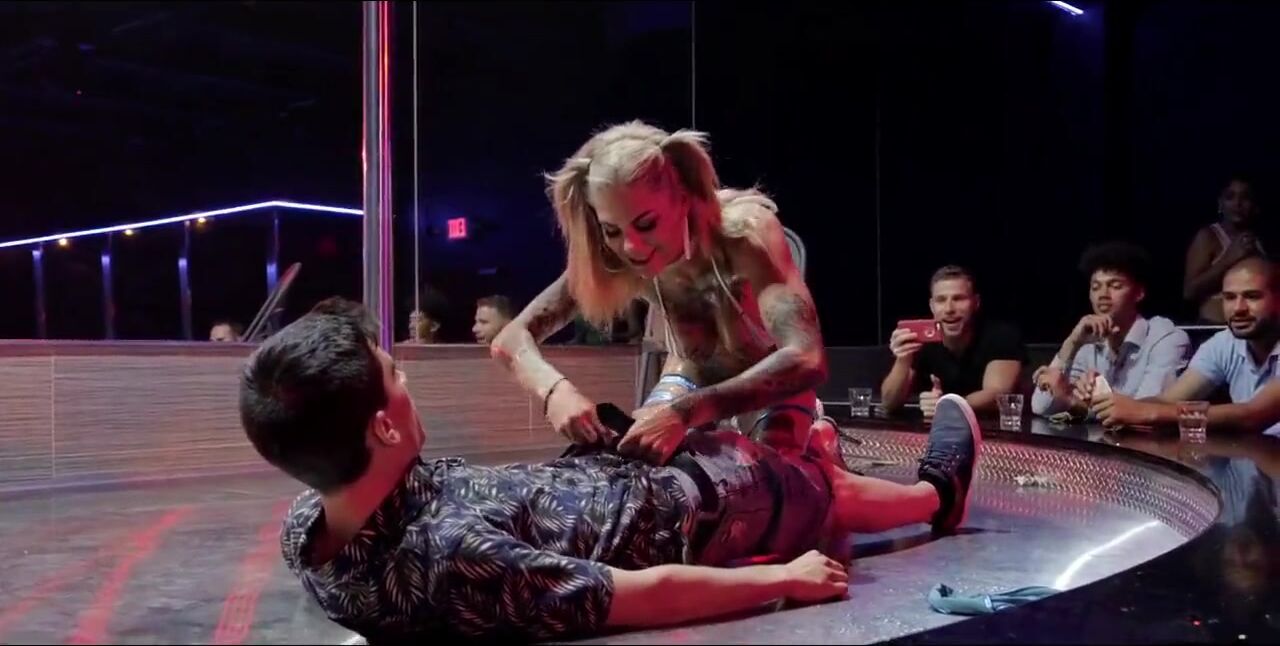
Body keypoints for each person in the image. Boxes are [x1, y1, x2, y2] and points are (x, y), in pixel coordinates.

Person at [239, 301, 982, 641]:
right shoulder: (453, 557)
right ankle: (936, 494)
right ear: (382, 426)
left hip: (619, 468)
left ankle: (807, 447)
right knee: (818, 490)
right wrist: (783, 581)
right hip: (697, 508)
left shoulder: (311, 527)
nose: (408, 381)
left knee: (746, 410)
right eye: (396, 377)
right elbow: (637, 597)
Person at [491, 121, 828, 463]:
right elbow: (510, 338)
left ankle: (821, 440)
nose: (631, 247)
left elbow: (807, 358)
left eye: (647, 224)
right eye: (612, 230)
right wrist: (554, 390)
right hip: (691, 375)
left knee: (773, 478)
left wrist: (684, 413)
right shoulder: (612, 255)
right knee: (641, 467)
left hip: (770, 384)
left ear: (683, 196)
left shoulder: (744, 234)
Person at [1092, 257, 1280, 436]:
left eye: (1252, 297)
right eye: (1229, 297)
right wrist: (1108, 406)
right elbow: (1167, 401)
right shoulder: (1224, 343)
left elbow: (1252, 416)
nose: (1238, 308)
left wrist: (1145, 413)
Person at [1031, 242, 1190, 420]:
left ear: (1139, 293)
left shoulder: (1166, 339)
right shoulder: (1087, 343)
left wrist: (1077, 403)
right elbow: (1041, 406)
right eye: (1095, 287)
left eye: (1115, 286)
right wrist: (1072, 343)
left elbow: (1145, 412)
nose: (1103, 295)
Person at [881, 265, 1026, 417]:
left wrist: (950, 405)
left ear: (976, 302)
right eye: (941, 300)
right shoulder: (922, 340)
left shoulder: (1001, 335)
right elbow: (889, 403)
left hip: (993, 427)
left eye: (958, 299)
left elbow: (998, 395)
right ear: (932, 306)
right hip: (937, 428)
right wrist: (903, 360)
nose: (949, 309)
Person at [1184, 174, 1266, 324]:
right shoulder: (1208, 236)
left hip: (1254, 329)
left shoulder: (1260, 241)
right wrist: (1229, 260)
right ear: (1220, 204)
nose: (1237, 203)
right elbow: (1189, 291)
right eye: (1230, 197)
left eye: (1245, 197)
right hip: (1215, 327)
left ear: (1255, 205)